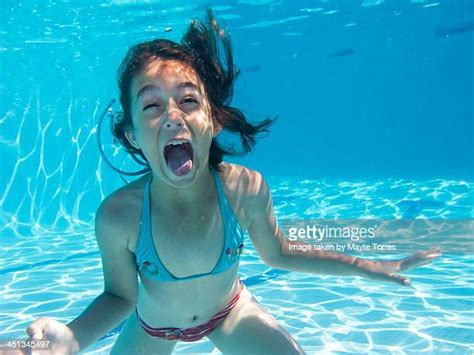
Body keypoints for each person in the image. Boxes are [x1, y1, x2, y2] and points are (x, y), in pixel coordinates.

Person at [24, 9, 441, 355]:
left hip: (230, 312)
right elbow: (120, 297)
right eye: (151, 105)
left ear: (214, 119)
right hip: (153, 328)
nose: (173, 115)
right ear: (132, 134)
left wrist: (370, 267)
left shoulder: (244, 189)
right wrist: (74, 337)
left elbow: (281, 254)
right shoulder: (120, 216)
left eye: (188, 100)